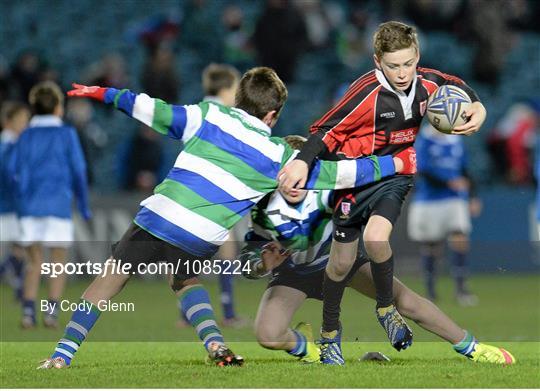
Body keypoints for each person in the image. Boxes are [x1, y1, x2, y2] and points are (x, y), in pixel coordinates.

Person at [38, 67, 411, 369]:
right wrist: (395, 162)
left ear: (238, 99)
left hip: (160, 216)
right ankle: (217, 342)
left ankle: (61, 356)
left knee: (109, 281)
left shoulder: (209, 115)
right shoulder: (278, 154)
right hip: (202, 236)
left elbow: (155, 111)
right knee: (184, 278)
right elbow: (340, 175)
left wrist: (105, 94)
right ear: (273, 114)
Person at [277, 21, 487, 364]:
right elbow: (324, 130)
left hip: (396, 174)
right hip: (354, 179)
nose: (402, 73)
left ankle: (387, 308)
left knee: (376, 237)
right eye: (393, 65)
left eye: (408, 63)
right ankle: (330, 333)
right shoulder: (364, 93)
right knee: (340, 264)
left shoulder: (428, 82)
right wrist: (301, 163)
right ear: (378, 61)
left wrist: (479, 106)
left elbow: (456, 84)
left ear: (417, 55)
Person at [242, 135, 514, 366]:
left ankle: (472, 347)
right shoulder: (263, 206)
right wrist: (261, 265)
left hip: (339, 261)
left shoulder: (333, 188)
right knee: (268, 335)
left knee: (405, 301)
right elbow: (248, 259)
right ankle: (305, 346)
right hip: (295, 274)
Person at [8, 82, 91, 329]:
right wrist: (84, 204)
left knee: (33, 262)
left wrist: (20, 200)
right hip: (57, 204)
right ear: (58, 107)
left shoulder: (25, 135)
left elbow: (13, 171)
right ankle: (51, 312)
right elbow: (79, 169)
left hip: (29, 206)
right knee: (57, 262)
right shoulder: (66, 134)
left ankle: (28, 312)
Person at [408, 123, 481, 306]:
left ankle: (462, 290)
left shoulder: (456, 140)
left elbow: (465, 170)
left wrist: (472, 196)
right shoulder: (424, 140)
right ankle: (431, 292)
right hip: (429, 200)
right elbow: (421, 170)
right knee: (432, 245)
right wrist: (448, 183)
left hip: (455, 199)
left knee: (460, 238)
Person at [0, 102, 30, 301]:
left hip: (13, 206)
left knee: (21, 249)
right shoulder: (7, 146)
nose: (24, 126)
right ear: (7, 122)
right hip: (8, 206)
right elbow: (11, 176)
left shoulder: (13, 145)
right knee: (22, 249)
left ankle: (20, 291)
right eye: (21, 121)